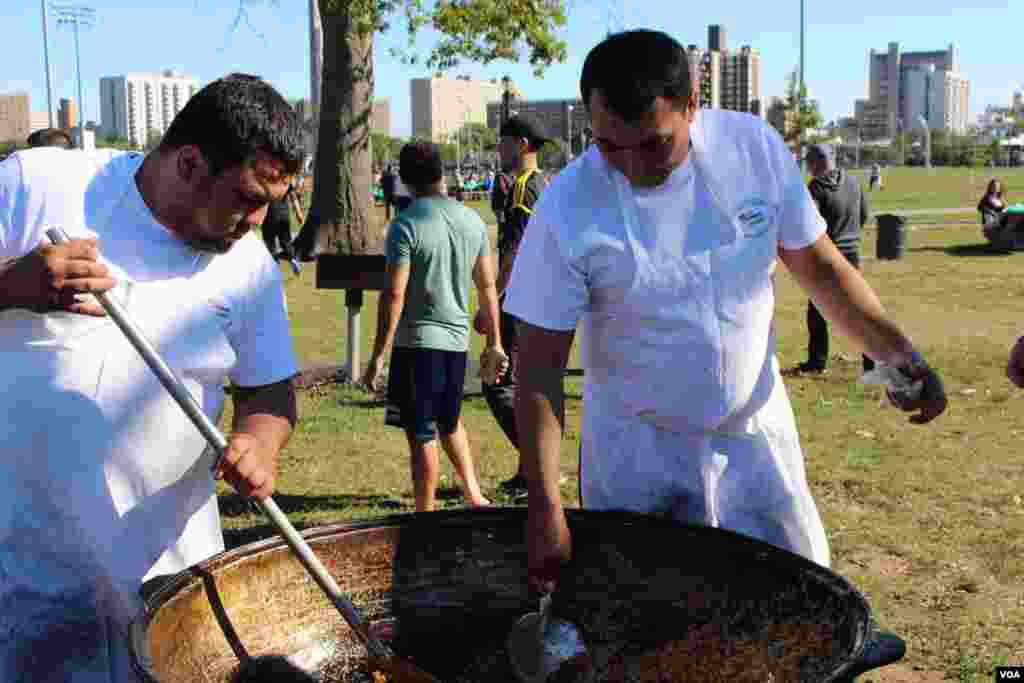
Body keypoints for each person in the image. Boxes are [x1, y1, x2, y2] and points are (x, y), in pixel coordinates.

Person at [503, 30, 948, 595]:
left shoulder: (752, 151)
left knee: (790, 606)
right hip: (639, 452)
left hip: (754, 437)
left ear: (693, 106)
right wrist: (545, 508)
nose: (632, 167)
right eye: (610, 146)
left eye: (654, 145)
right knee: (655, 623)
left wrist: (895, 353)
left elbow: (821, 269)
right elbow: (539, 369)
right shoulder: (568, 206)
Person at [0, 73, 303, 682]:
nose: (258, 220)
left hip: (172, 582)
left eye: (273, 200)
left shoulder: (250, 268)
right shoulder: (37, 183)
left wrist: (260, 443)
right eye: (247, 198)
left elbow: (269, 392)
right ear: (189, 162)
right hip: (26, 573)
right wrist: (14, 283)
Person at [361, 141, 509, 512]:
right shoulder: (472, 220)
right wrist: (495, 342)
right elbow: (488, 287)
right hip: (456, 344)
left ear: (406, 181)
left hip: (417, 345)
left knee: (422, 431)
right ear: (442, 174)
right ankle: (474, 495)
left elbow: (393, 295)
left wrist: (378, 354)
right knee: (450, 422)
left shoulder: (405, 225)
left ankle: (424, 515)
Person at [475, 114, 552, 495]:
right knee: (520, 386)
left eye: (503, 142)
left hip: (517, 299)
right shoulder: (541, 184)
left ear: (521, 144)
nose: (499, 149)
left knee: (498, 384)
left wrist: (494, 300)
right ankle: (529, 473)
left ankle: (539, 464)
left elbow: (515, 252)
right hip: (533, 298)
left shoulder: (525, 188)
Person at [790, 144, 875, 375]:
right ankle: (871, 363)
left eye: (808, 162)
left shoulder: (815, 188)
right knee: (857, 310)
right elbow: (865, 214)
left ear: (816, 162)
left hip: (828, 256)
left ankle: (817, 363)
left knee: (817, 311)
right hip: (852, 255)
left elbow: (810, 223)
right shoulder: (854, 183)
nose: (807, 167)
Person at [261, 178, 302, 274]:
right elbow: (293, 196)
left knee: (270, 244)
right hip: (284, 215)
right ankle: (292, 259)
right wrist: (298, 213)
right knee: (286, 242)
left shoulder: (265, 178)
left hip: (268, 216)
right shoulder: (285, 179)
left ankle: (275, 268)